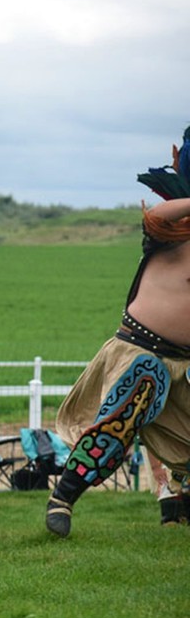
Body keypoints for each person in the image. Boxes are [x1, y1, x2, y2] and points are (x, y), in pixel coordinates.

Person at [45, 131, 190, 537]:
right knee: (122, 417)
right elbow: (157, 218)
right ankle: (63, 497)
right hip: (141, 351)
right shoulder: (174, 228)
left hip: (186, 362)